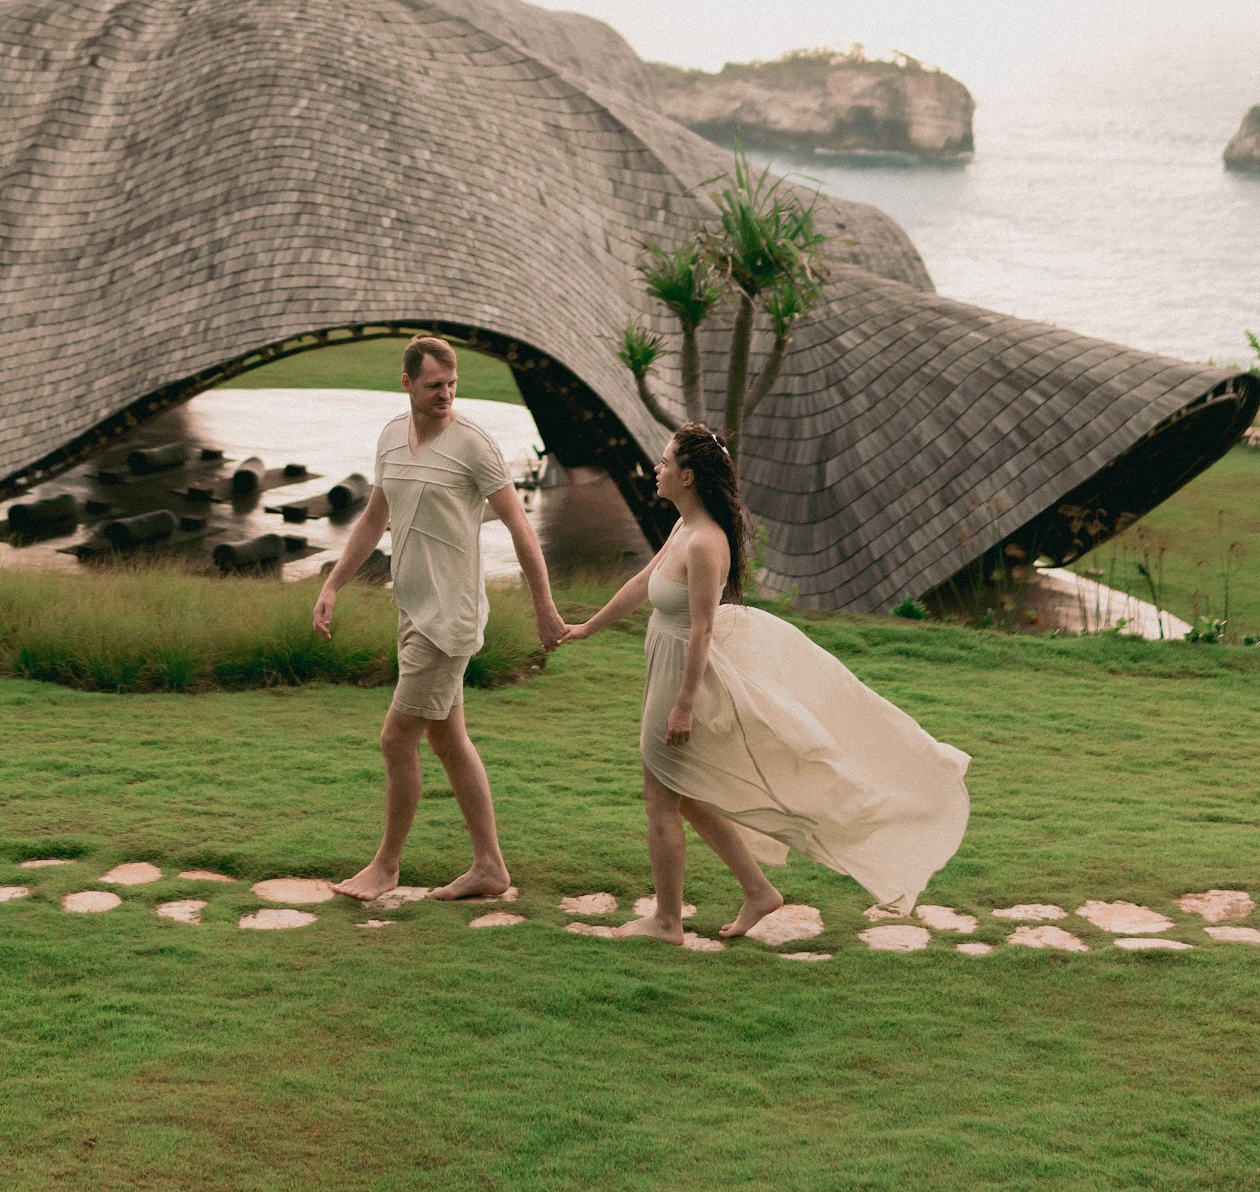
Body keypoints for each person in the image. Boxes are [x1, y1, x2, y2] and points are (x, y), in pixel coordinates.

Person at [560, 421, 970, 941]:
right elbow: (644, 583)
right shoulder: (682, 529)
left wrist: (684, 705)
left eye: (665, 462)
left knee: (661, 798)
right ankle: (758, 892)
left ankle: (666, 921)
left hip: (685, 675)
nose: (656, 469)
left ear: (687, 475)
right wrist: (586, 628)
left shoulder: (706, 542)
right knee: (682, 793)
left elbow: (704, 629)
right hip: (664, 663)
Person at [314, 333, 569, 902]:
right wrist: (333, 582)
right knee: (449, 738)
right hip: (410, 608)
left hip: (448, 619)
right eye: (434, 386)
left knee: (394, 738)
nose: (446, 395)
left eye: (452, 385)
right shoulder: (389, 437)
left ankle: (386, 866)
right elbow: (374, 516)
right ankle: (490, 868)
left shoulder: (474, 445)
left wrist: (544, 608)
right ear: (406, 383)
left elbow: (521, 529)